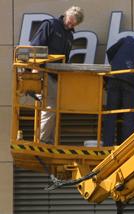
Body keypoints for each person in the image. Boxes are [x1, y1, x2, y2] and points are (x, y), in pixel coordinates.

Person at [30, 6, 84, 144]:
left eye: (73, 24)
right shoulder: (50, 25)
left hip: (55, 75)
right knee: (50, 107)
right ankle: (43, 141)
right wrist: (35, 69)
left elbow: (65, 58)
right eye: (69, 21)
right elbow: (36, 46)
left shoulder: (69, 36)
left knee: (52, 108)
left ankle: (48, 140)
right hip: (44, 71)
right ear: (65, 15)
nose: (70, 25)